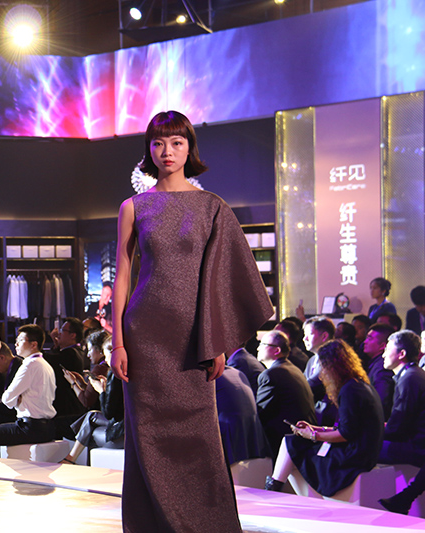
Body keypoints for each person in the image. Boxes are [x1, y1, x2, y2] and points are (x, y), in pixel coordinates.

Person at [110, 110, 273, 532]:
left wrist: (216, 341)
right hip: (144, 336)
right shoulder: (133, 207)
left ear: (189, 149)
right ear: (148, 149)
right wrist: (118, 342)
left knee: (200, 439)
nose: (167, 151)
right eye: (159, 143)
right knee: (147, 437)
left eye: (177, 142)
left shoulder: (212, 207)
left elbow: (221, 280)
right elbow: (123, 277)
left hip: (192, 339)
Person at [264, 340, 385, 496]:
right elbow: (347, 427)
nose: (321, 373)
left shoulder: (350, 390)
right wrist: (315, 429)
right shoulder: (359, 385)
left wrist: (313, 435)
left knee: (291, 444)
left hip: (354, 456)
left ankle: (274, 490)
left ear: (331, 366)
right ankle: (280, 490)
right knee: (293, 446)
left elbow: (345, 434)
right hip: (363, 452)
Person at [0, 324, 56, 456]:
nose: (16, 344)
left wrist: (14, 399)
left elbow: (7, 398)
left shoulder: (29, 365)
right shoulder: (45, 364)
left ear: (33, 344)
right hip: (46, 426)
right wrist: (16, 399)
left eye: (20, 340)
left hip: (30, 428)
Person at [60, 330, 124, 465]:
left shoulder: (110, 372)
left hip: (121, 430)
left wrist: (100, 390)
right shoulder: (128, 371)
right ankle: (71, 459)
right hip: (131, 427)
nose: (88, 355)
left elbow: (106, 411)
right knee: (89, 419)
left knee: (90, 418)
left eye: (90, 350)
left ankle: (71, 459)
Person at [255, 330, 316, 459]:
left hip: (287, 442)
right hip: (301, 438)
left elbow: (261, 412)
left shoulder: (272, 374)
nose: (258, 348)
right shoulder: (292, 368)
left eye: (262, 344)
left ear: (277, 350)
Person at [377, 330, 425, 467]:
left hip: (416, 448)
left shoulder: (409, 379)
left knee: (360, 447)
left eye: (387, 350)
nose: (383, 355)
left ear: (402, 354)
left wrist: (372, 431)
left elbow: (398, 427)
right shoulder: (415, 373)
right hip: (415, 443)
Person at [362, 323, 396, 420]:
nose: (365, 342)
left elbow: (381, 400)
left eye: (370, 338)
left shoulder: (382, 367)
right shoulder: (376, 364)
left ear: (382, 346)